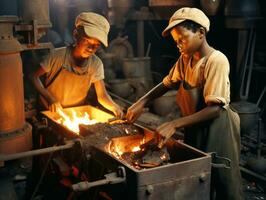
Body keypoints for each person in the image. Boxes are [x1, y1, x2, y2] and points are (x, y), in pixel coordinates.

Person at [126, 7, 243, 200]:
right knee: (199, 178)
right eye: (176, 41)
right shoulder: (185, 60)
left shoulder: (216, 60)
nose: (178, 44)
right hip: (195, 127)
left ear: (201, 32)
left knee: (225, 184)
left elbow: (214, 109)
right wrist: (141, 101)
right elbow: (166, 83)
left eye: (182, 38)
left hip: (219, 130)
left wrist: (174, 124)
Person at [29, 12, 123, 118]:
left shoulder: (95, 64)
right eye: (86, 41)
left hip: (75, 114)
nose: (91, 48)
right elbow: (33, 76)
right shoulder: (57, 56)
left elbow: (102, 96)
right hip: (50, 112)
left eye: (96, 45)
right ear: (75, 35)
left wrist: (115, 107)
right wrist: (50, 98)